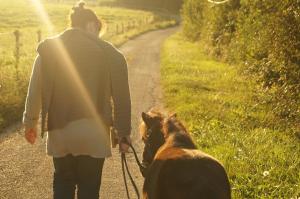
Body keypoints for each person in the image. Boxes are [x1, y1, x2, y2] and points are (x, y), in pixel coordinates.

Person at [23, 1, 131, 198]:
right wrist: (123, 134)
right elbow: (122, 98)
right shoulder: (111, 54)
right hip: (95, 134)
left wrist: (30, 123)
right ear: (91, 25)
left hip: (60, 133)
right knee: (89, 187)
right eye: (97, 28)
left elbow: (34, 90)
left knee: (63, 182)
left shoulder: (48, 50)